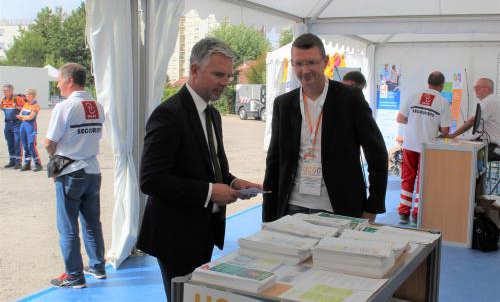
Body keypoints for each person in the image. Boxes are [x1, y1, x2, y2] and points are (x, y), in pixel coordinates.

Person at [137, 37, 262, 302]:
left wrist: (235, 182)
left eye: (228, 75)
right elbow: (151, 180)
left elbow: (210, 166)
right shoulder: (168, 115)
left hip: (202, 231)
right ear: (194, 70)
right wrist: (209, 192)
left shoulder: (212, 114)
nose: (225, 82)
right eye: (218, 74)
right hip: (175, 235)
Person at [263, 33, 388, 224]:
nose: (305, 70)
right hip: (292, 207)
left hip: (340, 207)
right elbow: (274, 162)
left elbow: (377, 154)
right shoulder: (284, 104)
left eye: (312, 62)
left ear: (325, 62)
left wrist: (373, 206)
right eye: (299, 63)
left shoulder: (350, 99)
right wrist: (268, 216)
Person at [45, 63, 106, 288]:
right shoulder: (98, 106)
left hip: (70, 172)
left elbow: (49, 142)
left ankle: (74, 277)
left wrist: (55, 166)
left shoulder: (65, 107)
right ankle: (98, 267)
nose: (58, 84)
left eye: (60, 80)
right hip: (93, 170)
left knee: (68, 227)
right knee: (92, 223)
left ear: (70, 80)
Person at [396, 71, 451, 225]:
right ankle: (416, 215)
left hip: (409, 144)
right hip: (428, 147)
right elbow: (446, 131)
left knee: (407, 178)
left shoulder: (413, 96)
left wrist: (415, 121)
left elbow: (400, 118)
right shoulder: (443, 102)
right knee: (423, 180)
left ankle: (403, 214)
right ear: (442, 85)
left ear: (428, 82)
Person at [445, 78, 500, 161]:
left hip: (489, 147)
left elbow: (472, 121)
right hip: (494, 146)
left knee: (455, 151)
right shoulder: (495, 101)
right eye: (475, 87)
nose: (476, 89)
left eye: (479, 87)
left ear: (488, 89)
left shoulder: (488, 101)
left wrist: (453, 135)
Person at [17, 88, 43, 171]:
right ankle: (27, 164)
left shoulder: (36, 105)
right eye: (26, 94)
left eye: (28, 94)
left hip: (31, 126)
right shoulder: (26, 104)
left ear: (32, 95)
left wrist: (23, 117)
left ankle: (38, 164)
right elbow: (20, 114)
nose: (26, 95)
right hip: (23, 126)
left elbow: (30, 117)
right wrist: (23, 117)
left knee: (31, 145)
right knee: (25, 145)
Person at [1, 84, 24, 169]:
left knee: (17, 143)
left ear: (11, 91)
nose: (4, 92)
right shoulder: (3, 100)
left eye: (6, 90)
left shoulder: (17, 99)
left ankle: (18, 163)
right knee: (10, 143)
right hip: (7, 124)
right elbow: (3, 108)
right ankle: (12, 161)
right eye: (3, 90)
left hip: (16, 124)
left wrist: (17, 107)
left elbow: (25, 108)